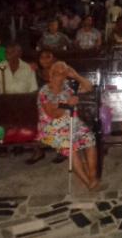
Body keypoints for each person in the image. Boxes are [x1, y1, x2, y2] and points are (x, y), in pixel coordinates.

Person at [33, 61, 100, 190]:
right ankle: (88, 183)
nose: (61, 75)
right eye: (57, 72)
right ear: (51, 74)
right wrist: (68, 104)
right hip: (52, 126)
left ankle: (92, 176)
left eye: (63, 73)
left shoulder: (68, 87)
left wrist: (76, 75)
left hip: (72, 122)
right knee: (71, 148)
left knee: (90, 139)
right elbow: (53, 114)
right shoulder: (45, 92)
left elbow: (89, 87)